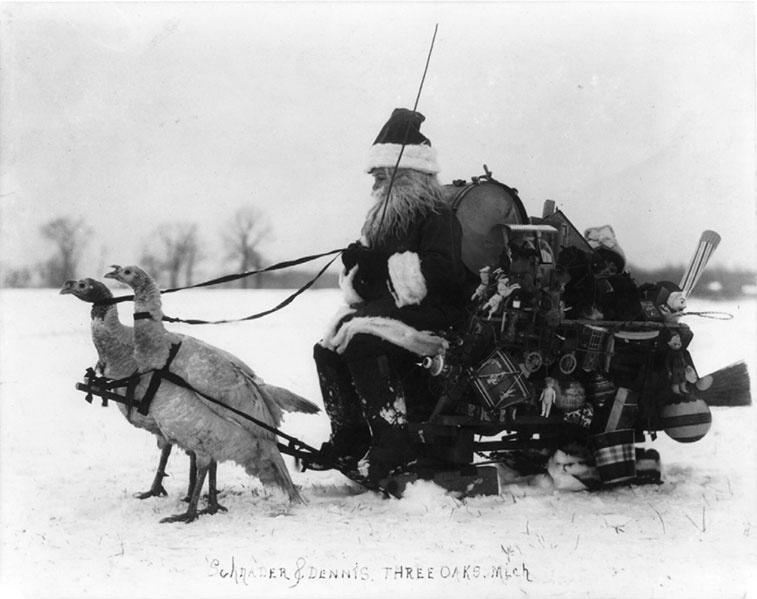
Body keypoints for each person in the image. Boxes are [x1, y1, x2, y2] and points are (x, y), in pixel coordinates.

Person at [312, 108, 472, 484]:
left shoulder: (439, 217)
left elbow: (442, 273)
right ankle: (351, 436)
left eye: (384, 177)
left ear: (410, 177)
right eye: (376, 178)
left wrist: (380, 261)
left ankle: (393, 439)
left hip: (439, 313)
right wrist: (358, 268)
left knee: (361, 339)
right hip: (397, 310)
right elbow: (366, 291)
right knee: (328, 347)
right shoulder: (381, 222)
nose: (377, 185)